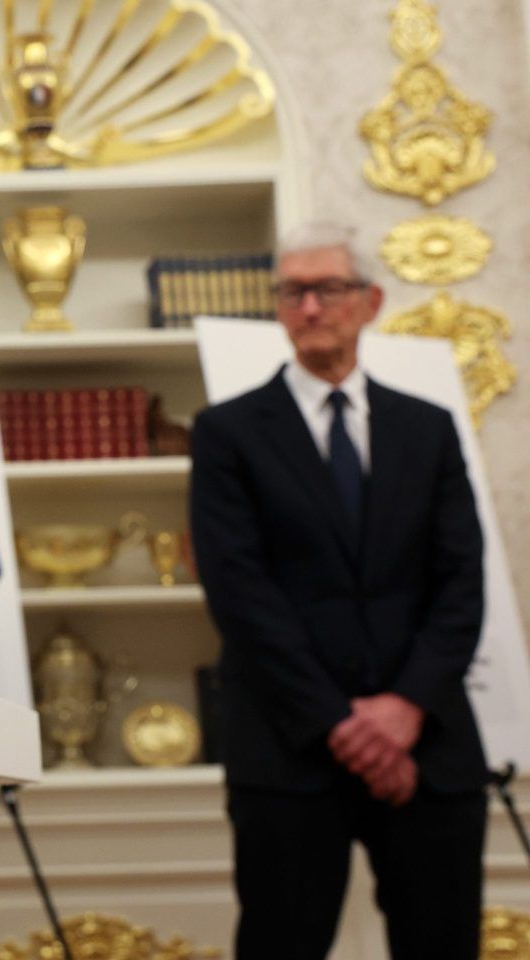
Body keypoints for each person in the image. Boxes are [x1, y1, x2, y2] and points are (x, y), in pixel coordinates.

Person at [189, 222, 487, 960]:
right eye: (293, 291)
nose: (311, 307)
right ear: (279, 307)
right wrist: (343, 724)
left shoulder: (430, 429)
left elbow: (461, 582)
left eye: (329, 289)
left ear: (372, 302)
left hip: (428, 746)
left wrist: (404, 708)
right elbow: (239, 593)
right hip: (287, 747)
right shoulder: (227, 432)